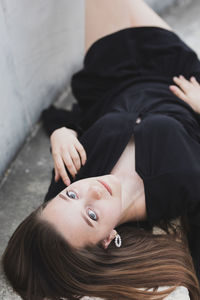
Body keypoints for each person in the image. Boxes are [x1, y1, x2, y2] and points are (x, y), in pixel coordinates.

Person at [2, 0, 200, 299]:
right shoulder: (181, 187)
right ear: (108, 239)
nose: (91, 191)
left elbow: (41, 255)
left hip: (109, 77)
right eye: (92, 215)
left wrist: (62, 133)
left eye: (69, 196)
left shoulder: (68, 187)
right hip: (174, 74)